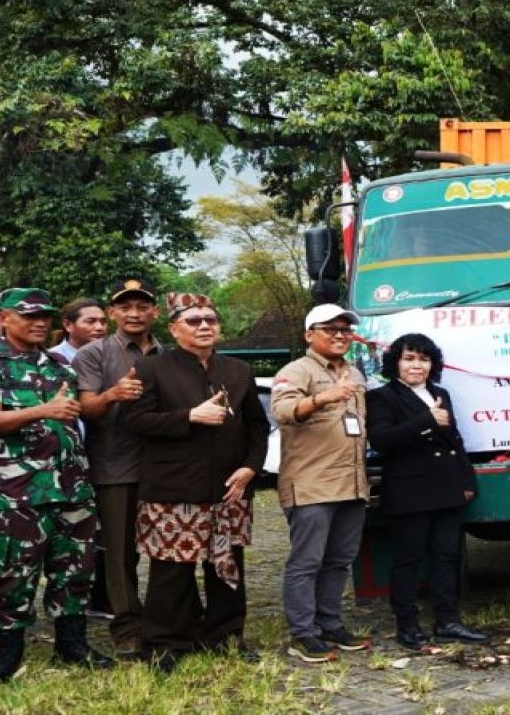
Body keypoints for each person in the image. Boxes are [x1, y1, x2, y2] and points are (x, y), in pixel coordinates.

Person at [0, 288, 112, 683]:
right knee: (15, 574)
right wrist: (44, 410)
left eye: (44, 315)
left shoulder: (59, 364)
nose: (39, 322)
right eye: (28, 315)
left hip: (72, 486)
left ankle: (72, 645)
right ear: (5, 319)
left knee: (76, 570)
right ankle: (6, 656)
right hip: (18, 490)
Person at [123, 292, 269, 673]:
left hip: (229, 486)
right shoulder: (151, 368)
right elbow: (134, 421)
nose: (204, 326)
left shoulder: (238, 370)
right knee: (171, 571)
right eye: (194, 320)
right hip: (173, 486)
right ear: (174, 329)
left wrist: (251, 467)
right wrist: (189, 416)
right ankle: (164, 644)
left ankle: (225, 636)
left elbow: (258, 426)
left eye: (210, 319)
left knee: (227, 566)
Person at [365, 333, 488, 650]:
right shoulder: (381, 397)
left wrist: (466, 482)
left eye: (423, 359)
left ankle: (448, 622)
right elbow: (381, 440)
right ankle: (407, 627)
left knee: (447, 556)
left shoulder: (440, 393)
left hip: (447, 488)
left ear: (432, 364)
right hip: (410, 492)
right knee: (408, 560)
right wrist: (426, 420)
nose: (416, 365)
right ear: (395, 363)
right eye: (409, 358)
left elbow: (455, 440)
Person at [271, 304, 370, 662]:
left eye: (345, 330)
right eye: (330, 329)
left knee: (340, 560)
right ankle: (303, 633)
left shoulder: (354, 372)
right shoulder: (297, 370)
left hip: (351, 483)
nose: (340, 335)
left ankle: (330, 624)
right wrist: (321, 398)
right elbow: (282, 411)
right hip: (312, 485)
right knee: (306, 562)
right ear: (309, 335)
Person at [72, 278, 164, 657]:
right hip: (116, 466)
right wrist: (113, 394)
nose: (134, 314)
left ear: (155, 312)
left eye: (142, 306)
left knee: (168, 547)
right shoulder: (94, 354)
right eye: (125, 307)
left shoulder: (168, 352)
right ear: (112, 314)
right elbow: (86, 409)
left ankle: (167, 620)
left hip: (163, 465)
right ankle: (127, 627)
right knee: (120, 553)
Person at [50, 298, 107, 363]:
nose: (100, 327)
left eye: (103, 322)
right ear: (68, 325)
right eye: (90, 321)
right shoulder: (51, 360)